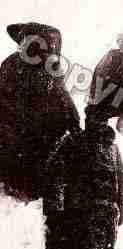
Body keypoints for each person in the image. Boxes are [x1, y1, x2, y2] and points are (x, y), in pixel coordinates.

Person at [43, 104, 123, 249]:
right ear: (87, 120)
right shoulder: (72, 141)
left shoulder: (112, 148)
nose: (97, 123)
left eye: (101, 120)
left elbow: (121, 178)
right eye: (94, 119)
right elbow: (56, 169)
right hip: (78, 206)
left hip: (105, 209)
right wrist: (57, 202)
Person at [0, 22, 80, 200]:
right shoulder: (12, 63)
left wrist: (72, 119)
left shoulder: (48, 66)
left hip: (35, 130)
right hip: (15, 127)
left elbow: (61, 93)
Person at [89, 33, 123, 133]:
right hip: (111, 88)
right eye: (121, 40)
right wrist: (94, 93)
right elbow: (99, 70)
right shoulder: (112, 53)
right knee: (95, 110)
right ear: (118, 42)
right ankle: (100, 130)